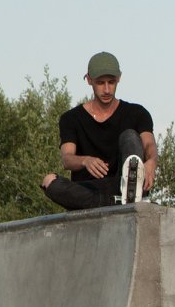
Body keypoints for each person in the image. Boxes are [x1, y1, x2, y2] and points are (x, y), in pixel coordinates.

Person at [41, 51, 157, 210]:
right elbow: (67, 159)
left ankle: (130, 192)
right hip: (89, 190)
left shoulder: (137, 113)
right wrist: (85, 160)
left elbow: (149, 144)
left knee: (130, 135)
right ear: (89, 80)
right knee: (49, 181)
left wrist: (152, 162)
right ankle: (114, 203)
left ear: (119, 78)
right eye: (101, 83)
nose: (107, 90)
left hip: (121, 183)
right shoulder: (71, 118)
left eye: (111, 82)